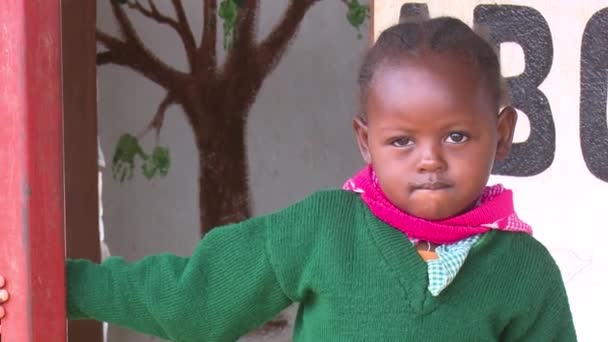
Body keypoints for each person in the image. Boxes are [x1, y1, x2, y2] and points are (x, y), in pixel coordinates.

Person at [0, 16, 576, 341]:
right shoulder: (324, 229)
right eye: (401, 140)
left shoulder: (523, 272)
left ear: (501, 135)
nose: (429, 159)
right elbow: (191, 300)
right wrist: (59, 286)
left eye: (456, 137)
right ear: (365, 142)